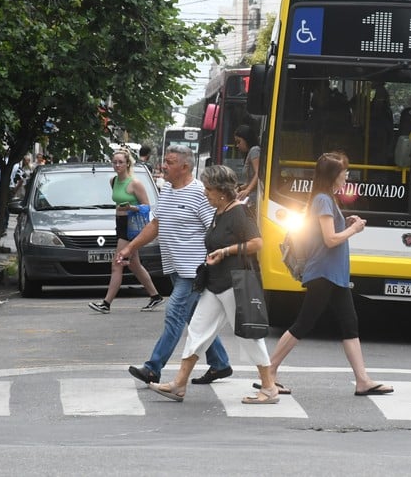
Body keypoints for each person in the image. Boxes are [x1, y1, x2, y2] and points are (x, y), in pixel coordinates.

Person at [263, 152, 394, 397]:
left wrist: (347, 222)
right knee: (304, 323)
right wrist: (353, 229)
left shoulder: (327, 199)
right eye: (344, 172)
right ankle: (269, 371)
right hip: (324, 273)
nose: (347, 176)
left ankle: (362, 380)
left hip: (335, 274)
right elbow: (330, 239)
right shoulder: (323, 200)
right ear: (333, 175)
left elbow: (331, 232)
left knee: (349, 325)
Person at [147, 165, 279, 404]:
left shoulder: (238, 212)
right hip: (215, 283)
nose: (205, 193)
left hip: (233, 283)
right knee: (197, 330)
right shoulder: (220, 210)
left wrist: (225, 251)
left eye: (208, 189)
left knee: (249, 336)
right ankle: (179, 384)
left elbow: (257, 243)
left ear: (221, 191)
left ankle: (269, 388)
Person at [120, 145, 231, 386]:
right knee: (194, 318)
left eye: (169, 162)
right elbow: (156, 224)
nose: (163, 166)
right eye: (164, 161)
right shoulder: (168, 190)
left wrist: (213, 260)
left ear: (184, 167)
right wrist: (130, 248)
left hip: (194, 271)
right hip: (175, 267)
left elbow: (215, 229)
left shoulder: (200, 193)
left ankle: (153, 368)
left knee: (174, 316)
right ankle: (220, 363)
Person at [89, 149, 165, 314]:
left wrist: (131, 207)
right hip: (120, 223)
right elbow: (117, 200)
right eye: (114, 162)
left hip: (132, 225)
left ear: (127, 164)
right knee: (134, 264)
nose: (117, 165)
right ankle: (155, 296)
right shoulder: (113, 181)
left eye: (120, 162)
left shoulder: (135, 183)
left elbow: (147, 206)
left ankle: (106, 303)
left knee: (117, 263)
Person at [234, 124, 260, 211]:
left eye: (239, 142)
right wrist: (240, 188)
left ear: (247, 139)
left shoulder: (254, 150)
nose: (237, 145)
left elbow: (258, 173)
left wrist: (247, 190)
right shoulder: (250, 152)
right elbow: (252, 181)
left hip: (256, 199)